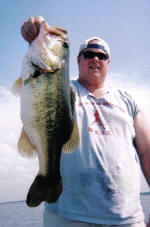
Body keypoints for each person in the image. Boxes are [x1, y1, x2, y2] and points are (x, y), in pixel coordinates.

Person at [21, 16, 150, 227]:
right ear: (78, 60)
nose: (95, 59)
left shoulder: (128, 101)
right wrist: (35, 38)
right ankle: (47, 176)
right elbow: (41, 80)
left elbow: (147, 151)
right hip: (66, 216)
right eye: (88, 54)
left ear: (108, 62)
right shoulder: (63, 90)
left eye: (102, 55)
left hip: (126, 219)